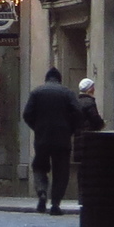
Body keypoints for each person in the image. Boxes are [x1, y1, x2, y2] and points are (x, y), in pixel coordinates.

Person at [22, 65, 82, 214]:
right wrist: (71, 129)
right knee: (61, 171)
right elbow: (78, 112)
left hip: (42, 137)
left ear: (46, 79)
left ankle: (42, 192)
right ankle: (56, 203)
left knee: (39, 166)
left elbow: (27, 114)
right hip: (62, 138)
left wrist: (37, 127)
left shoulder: (37, 92)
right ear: (59, 80)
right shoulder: (67, 93)